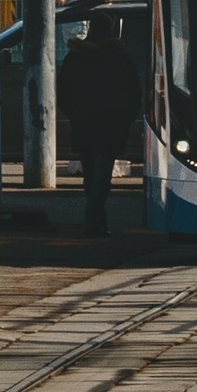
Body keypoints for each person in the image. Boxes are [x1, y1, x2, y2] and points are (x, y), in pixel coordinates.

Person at [59, 14, 142, 240]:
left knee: (91, 175)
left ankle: (95, 220)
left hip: (84, 125)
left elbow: (64, 95)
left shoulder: (74, 58)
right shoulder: (119, 59)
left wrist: (77, 115)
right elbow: (133, 94)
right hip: (111, 127)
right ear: (111, 29)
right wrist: (125, 119)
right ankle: (93, 217)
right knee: (103, 177)